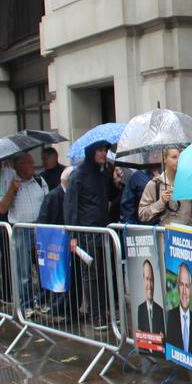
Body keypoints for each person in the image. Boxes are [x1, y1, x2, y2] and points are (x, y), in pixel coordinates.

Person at [64, 141, 113, 330]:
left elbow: (107, 198)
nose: (104, 153)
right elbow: (70, 207)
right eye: (100, 150)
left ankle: (103, 310)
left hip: (102, 230)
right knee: (90, 274)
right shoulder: (78, 175)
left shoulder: (103, 173)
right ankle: (96, 315)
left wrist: (116, 183)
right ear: (92, 151)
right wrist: (73, 235)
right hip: (86, 232)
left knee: (102, 272)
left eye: (106, 150)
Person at [0, 152, 48, 318]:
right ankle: (26, 304)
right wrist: (12, 189)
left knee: (42, 268)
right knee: (24, 271)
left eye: (32, 162)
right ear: (18, 166)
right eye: (27, 163)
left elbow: (49, 202)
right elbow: (2, 208)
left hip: (39, 228)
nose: (32, 166)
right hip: (20, 230)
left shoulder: (40, 181)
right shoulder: (8, 183)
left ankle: (42, 301)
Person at [36, 166, 77, 318]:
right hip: (56, 243)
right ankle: (56, 308)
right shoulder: (54, 196)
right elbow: (45, 220)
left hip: (67, 241)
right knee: (59, 278)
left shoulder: (71, 195)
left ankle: (69, 309)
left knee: (69, 277)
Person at [138, 147, 192, 228]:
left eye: (180, 157)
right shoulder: (154, 184)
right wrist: (160, 202)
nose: (178, 160)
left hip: (188, 236)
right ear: (165, 159)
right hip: (165, 236)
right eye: (174, 157)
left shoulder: (190, 183)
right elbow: (142, 214)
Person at [165, 262, 192, 357]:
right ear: (178, 286)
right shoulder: (168, 317)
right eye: (181, 285)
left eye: (187, 286)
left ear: (191, 289)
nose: (184, 292)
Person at [137, 258, 165, 336]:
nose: (149, 284)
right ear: (143, 280)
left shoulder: (160, 310)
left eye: (151, 279)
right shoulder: (140, 309)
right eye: (147, 279)